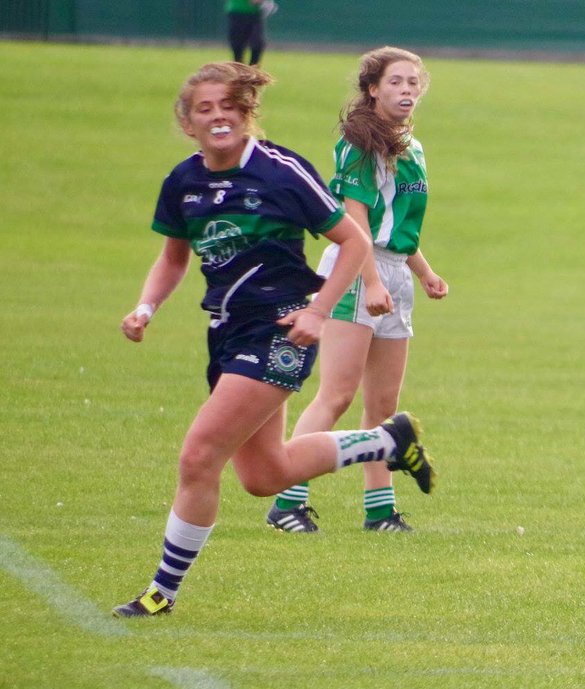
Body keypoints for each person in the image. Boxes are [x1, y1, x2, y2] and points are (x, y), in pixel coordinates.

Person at [112, 62, 435, 617]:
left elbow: (353, 241)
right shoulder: (183, 182)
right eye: (204, 109)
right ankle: (387, 441)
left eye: (229, 107)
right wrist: (146, 306)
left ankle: (160, 594)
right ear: (186, 123)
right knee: (265, 476)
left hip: (280, 327)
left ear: (246, 114)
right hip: (226, 330)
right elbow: (173, 257)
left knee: (199, 454)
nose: (218, 117)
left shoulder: (280, 171)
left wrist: (318, 311)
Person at [266, 46, 447, 534]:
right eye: (395, 82)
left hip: (394, 275)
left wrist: (424, 272)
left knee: (384, 407)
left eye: (413, 82)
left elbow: (397, 227)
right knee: (336, 395)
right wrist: (368, 281)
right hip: (355, 273)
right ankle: (287, 500)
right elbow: (356, 221)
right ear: (372, 89)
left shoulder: (412, 145)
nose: (406, 90)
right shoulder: (360, 144)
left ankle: (379, 511)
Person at [226, 0, 276, 67]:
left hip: (255, 14)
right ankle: (239, 68)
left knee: (257, 43)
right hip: (238, 12)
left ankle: (253, 70)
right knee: (237, 44)